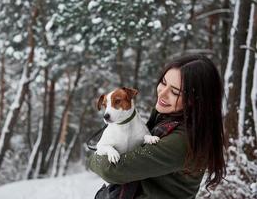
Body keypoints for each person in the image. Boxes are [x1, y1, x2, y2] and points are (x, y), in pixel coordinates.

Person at [88, 54, 227, 199]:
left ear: (195, 100)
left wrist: (93, 159)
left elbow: (111, 170)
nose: (162, 93)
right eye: (163, 82)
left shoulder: (183, 140)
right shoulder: (166, 117)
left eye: (175, 92)